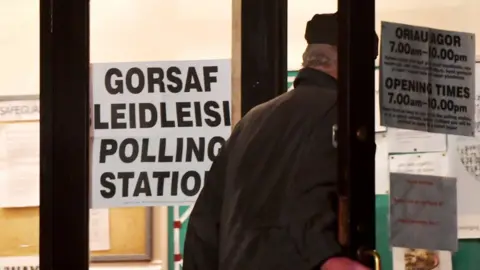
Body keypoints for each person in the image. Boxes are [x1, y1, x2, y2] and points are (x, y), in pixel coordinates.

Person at [183, 12, 377, 270]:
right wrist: (327, 257)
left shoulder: (252, 121)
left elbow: (204, 224)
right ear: (353, 62)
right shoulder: (341, 113)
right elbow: (311, 193)